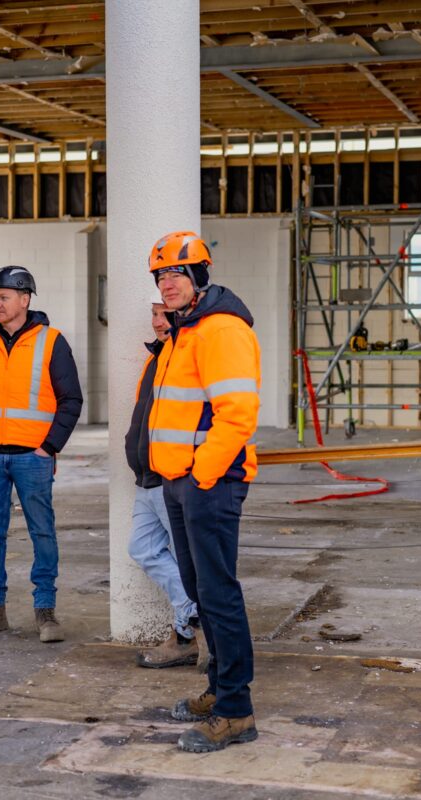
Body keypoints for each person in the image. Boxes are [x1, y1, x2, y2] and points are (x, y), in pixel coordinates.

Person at [146, 231, 262, 753]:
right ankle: (219, 691)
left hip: (208, 484)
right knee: (201, 593)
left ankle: (236, 710)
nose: (166, 283)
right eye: (160, 275)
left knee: (219, 593)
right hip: (181, 482)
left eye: (175, 273)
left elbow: (237, 414)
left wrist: (202, 477)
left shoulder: (220, 330)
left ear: (199, 277)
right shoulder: (183, 332)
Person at [0, 266, 83, 643]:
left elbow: (71, 399)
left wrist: (49, 446)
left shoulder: (51, 341)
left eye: (5, 296)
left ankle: (45, 611)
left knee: (42, 533)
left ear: (25, 300)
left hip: (33, 457)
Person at [125, 295, 206, 670]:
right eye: (153, 313)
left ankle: (191, 634)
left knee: (195, 563)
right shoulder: (158, 356)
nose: (158, 321)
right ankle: (191, 619)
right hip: (147, 478)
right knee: (143, 549)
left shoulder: (188, 354)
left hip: (172, 477)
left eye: (163, 313)